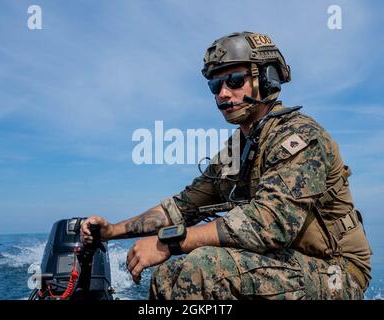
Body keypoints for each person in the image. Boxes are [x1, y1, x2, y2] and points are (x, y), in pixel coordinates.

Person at [81, 31, 372, 300]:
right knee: (168, 276)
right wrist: (112, 231)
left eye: (234, 80)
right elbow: (181, 207)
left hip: (337, 271)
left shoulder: (300, 137)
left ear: (266, 79)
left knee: (204, 268)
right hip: (284, 261)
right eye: (215, 85)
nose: (222, 93)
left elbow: (269, 224)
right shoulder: (237, 151)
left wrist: (169, 243)